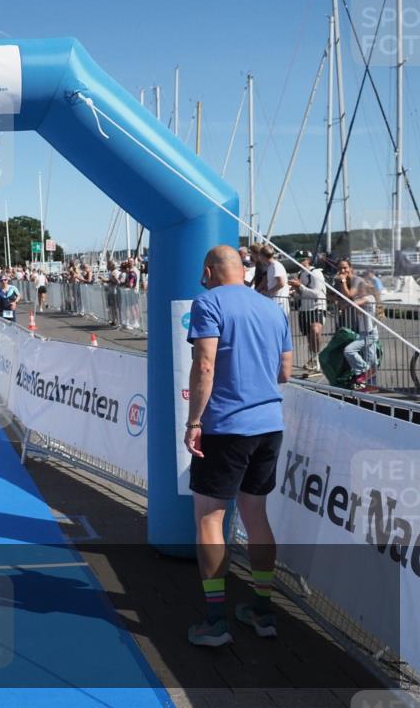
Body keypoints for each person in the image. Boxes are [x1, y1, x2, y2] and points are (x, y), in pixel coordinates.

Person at [184, 246, 292, 647]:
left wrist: (195, 421)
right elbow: (285, 371)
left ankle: (216, 621)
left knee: (210, 519)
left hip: (227, 426)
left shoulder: (208, 302)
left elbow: (205, 365)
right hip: (269, 425)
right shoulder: (271, 308)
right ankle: (263, 611)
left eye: (203, 272)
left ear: (210, 271)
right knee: (256, 515)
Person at [289, 251, 327, 373]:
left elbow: (316, 293)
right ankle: (314, 358)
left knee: (315, 330)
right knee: (310, 338)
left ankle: (318, 358)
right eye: (297, 259)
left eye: (302, 259)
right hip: (304, 309)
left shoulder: (316, 273)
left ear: (308, 260)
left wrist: (300, 286)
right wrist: (294, 292)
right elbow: (301, 294)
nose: (299, 261)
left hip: (317, 307)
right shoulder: (300, 274)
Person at [343, 278, 380, 392]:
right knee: (371, 360)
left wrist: (347, 302)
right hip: (365, 333)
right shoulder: (363, 299)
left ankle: (365, 370)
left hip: (369, 334)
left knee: (349, 350)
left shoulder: (369, 298)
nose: (358, 291)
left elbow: (354, 303)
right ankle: (371, 386)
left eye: (359, 289)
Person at [333, 259, 365, 331]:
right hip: (344, 316)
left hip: (358, 317)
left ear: (350, 268)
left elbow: (349, 295)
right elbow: (335, 296)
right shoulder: (338, 281)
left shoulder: (357, 280)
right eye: (340, 268)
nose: (342, 271)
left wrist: (343, 281)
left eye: (345, 268)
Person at [259, 245, 290, 317]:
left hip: (280, 301)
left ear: (263, 256)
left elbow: (281, 283)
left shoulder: (275, 266)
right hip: (276, 300)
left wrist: (268, 292)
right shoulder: (271, 266)